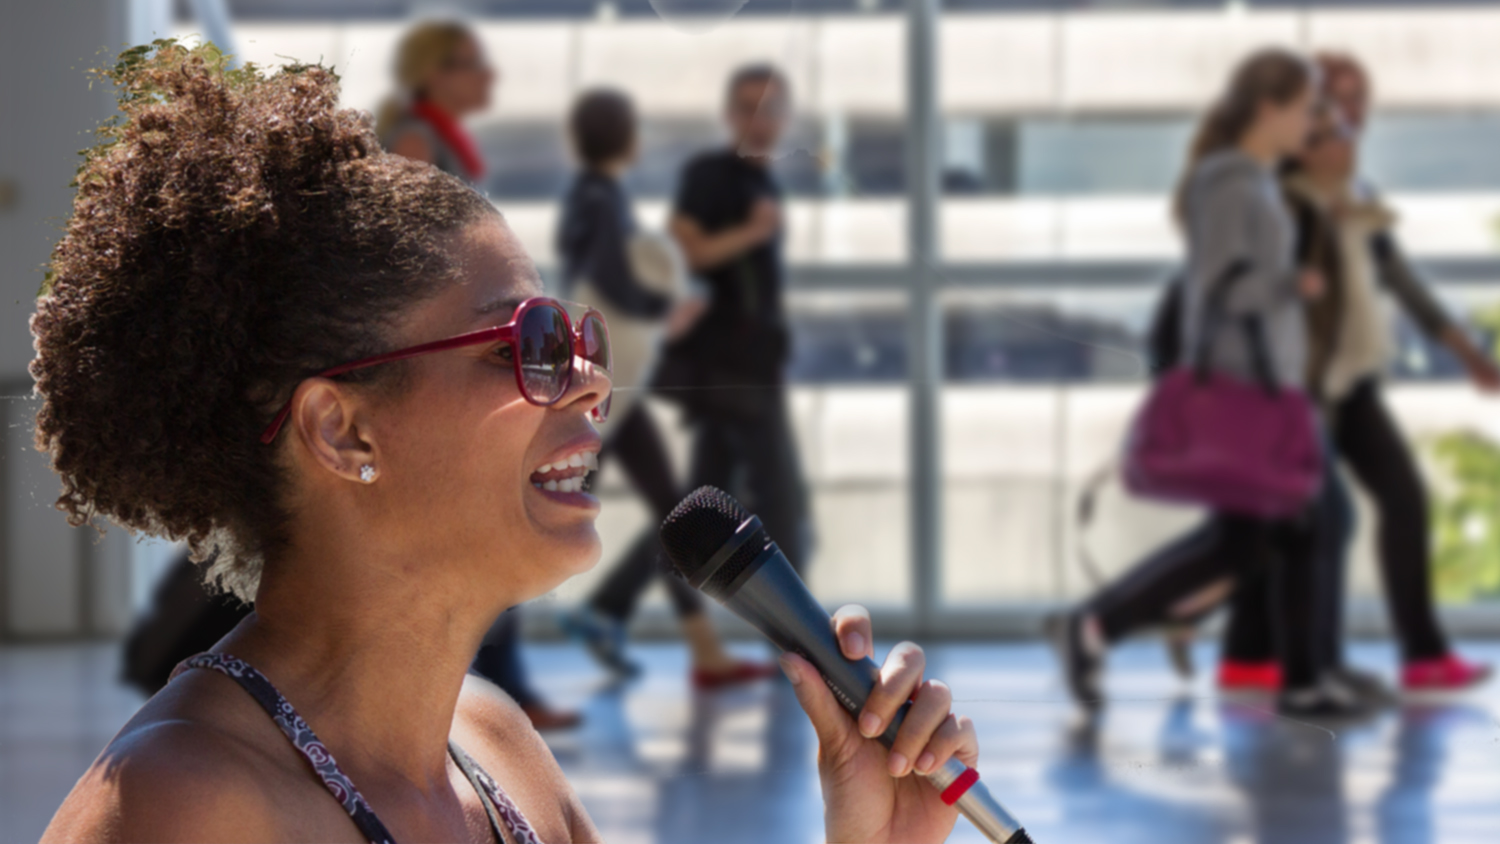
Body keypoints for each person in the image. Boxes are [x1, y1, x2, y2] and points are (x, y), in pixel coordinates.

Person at [37, 45, 979, 844]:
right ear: (343, 427)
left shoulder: (496, 748)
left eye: (579, 340)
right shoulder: (187, 805)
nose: (593, 379)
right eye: (526, 344)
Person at [1051, 48, 1361, 718]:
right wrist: (1293, 285)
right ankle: (1302, 684)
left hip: (1262, 383)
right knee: (1298, 524)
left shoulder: (1249, 180)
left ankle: (1095, 627)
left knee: (1259, 538)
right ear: (1269, 108)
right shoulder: (1229, 184)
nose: (1312, 121)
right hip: (1243, 385)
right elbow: (1219, 287)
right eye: (1305, 107)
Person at [1213, 54, 1497, 694]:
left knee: (1390, 502)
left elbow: (1400, 279)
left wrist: (1468, 352)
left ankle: (1415, 654)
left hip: (1352, 385)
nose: (1352, 115)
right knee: (1304, 523)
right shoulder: (1279, 190)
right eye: (1337, 100)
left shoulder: (1352, 190)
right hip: (1299, 387)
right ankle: (1264, 657)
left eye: (1358, 100)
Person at [377, 20, 578, 730]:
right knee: (488, 516)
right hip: (450, 368)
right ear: (431, 71)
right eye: (467, 63)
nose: (484, 74)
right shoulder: (415, 142)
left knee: (501, 515)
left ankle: (500, 694)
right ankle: (493, 695)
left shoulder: (443, 141)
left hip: (476, 361)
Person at [551, 88, 776, 688]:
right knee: (533, 513)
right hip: (609, 389)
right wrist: (665, 306)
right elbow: (610, 279)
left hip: (615, 386)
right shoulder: (599, 199)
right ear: (627, 140)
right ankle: (501, 647)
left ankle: (694, 649)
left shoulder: (596, 198)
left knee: (671, 508)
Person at [658, 64, 811, 574]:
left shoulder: (759, 179)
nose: (759, 121)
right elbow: (691, 249)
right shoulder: (712, 174)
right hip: (729, 368)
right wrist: (752, 232)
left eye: (769, 109)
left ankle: (615, 603)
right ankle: (803, 639)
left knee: (703, 506)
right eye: (748, 108)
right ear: (729, 115)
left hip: (750, 365)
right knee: (782, 505)